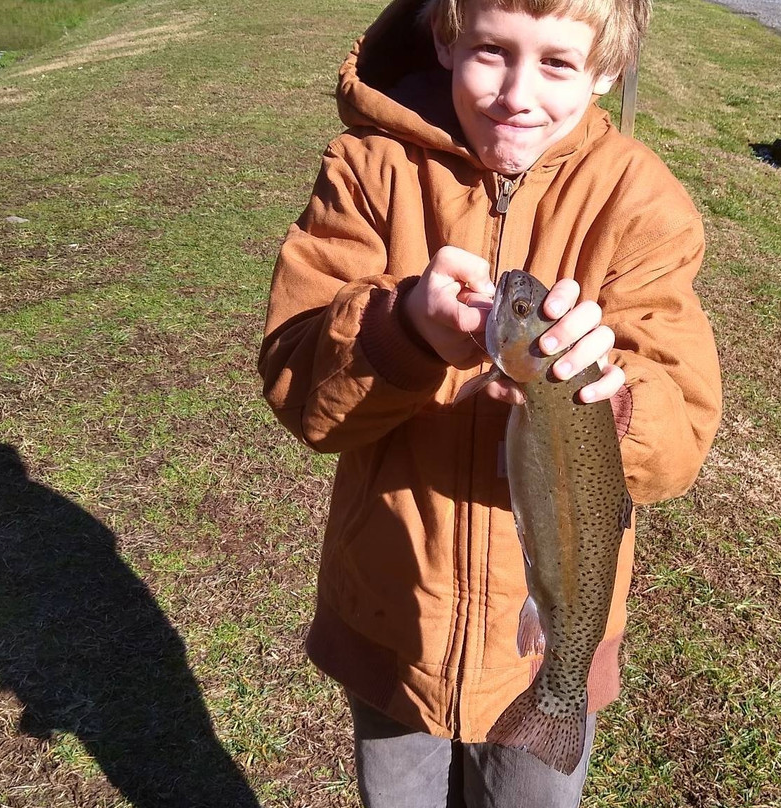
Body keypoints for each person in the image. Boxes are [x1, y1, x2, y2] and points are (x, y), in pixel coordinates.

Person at [258, 0, 722, 804]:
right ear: (444, 39)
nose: (517, 92)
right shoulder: (367, 171)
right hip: (394, 623)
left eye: (556, 63)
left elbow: (680, 434)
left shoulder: (641, 203)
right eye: (491, 51)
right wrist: (403, 329)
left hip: (545, 649)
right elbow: (299, 389)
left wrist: (620, 403)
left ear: (606, 69)